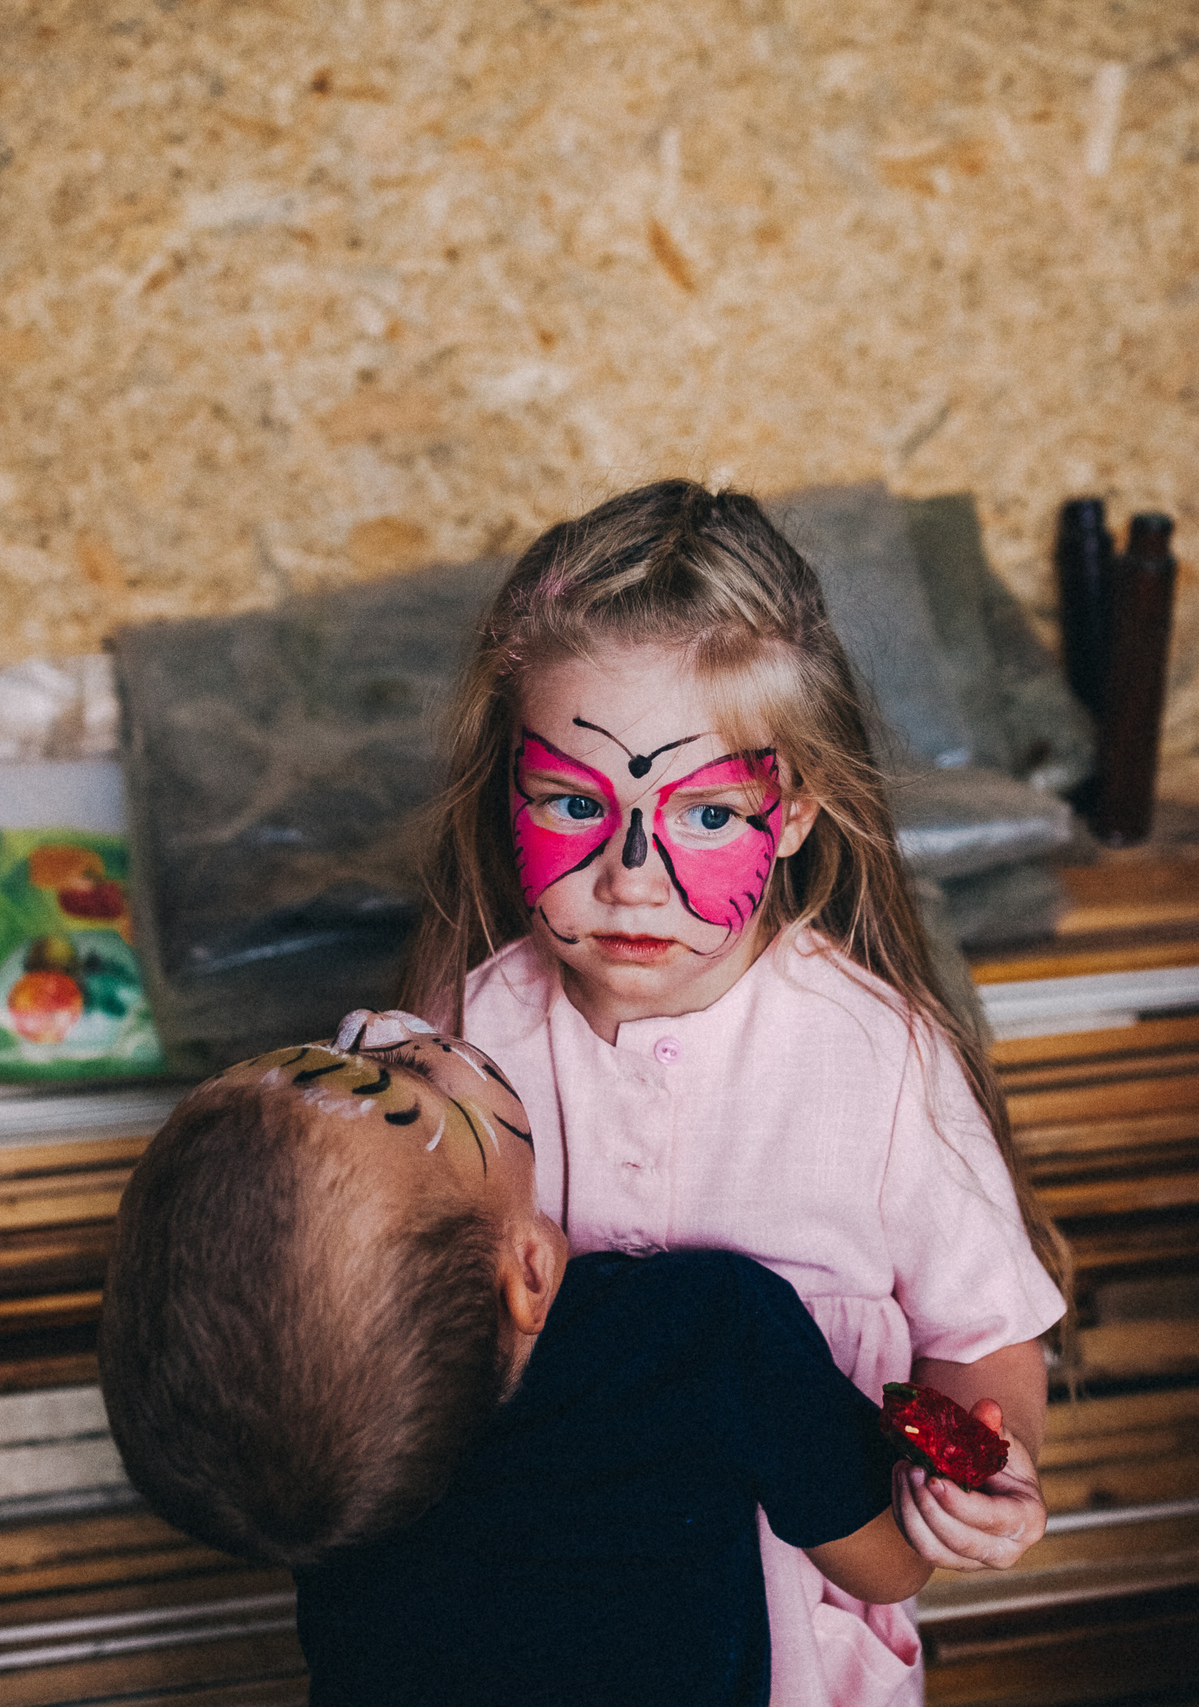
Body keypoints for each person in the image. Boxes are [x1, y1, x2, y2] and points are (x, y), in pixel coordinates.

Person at [401, 479, 1071, 1705]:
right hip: (540, 1643)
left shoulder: (880, 1063)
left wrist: (990, 1466)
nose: (633, 878)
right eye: (572, 803)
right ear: (508, 792)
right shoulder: (459, 1047)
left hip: (803, 1670)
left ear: (799, 807)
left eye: (707, 813)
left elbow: (984, 1340)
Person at [96, 1014, 932, 1705]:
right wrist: (942, 1478)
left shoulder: (319, 1477)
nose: (378, 1019)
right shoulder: (707, 1328)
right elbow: (889, 1564)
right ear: (530, 1270)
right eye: (405, 1071)